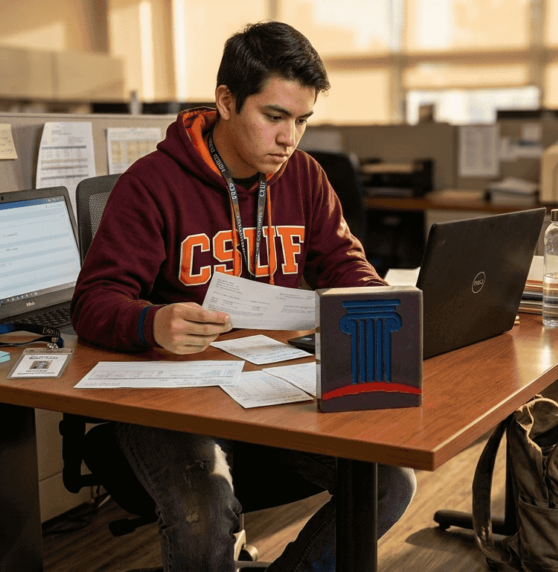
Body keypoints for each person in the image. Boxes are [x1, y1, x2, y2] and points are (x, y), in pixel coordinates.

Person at [71, 21, 417, 572]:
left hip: (271, 383)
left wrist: (379, 302)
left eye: (303, 120)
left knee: (387, 481)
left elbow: (346, 265)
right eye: (274, 117)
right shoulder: (152, 183)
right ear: (226, 101)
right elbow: (92, 302)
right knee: (203, 510)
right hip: (173, 396)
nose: (290, 139)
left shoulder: (304, 176)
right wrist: (153, 322)